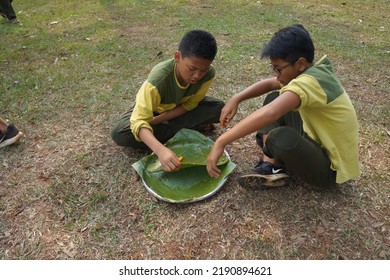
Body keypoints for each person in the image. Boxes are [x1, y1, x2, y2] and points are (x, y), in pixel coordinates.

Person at [207, 24, 360, 190]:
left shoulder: (311, 82)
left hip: (330, 171)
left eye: (278, 68)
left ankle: (274, 160)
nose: (276, 74)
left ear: (300, 63)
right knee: (275, 97)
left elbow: (270, 113)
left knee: (280, 137)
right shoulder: (315, 72)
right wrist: (237, 98)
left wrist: (221, 141)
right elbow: (272, 84)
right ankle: (271, 166)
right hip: (317, 142)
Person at [111, 29, 224, 172]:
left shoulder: (209, 74)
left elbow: (190, 105)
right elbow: (138, 121)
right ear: (177, 57)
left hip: (175, 112)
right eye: (192, 68)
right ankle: (184, 129)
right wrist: (161, 150)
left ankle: (165, 132)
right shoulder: (157, 81)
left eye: (203, 70)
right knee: (120, 133)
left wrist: (159, 120)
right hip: (152, 112)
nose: (197, 76)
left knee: (219, 108)